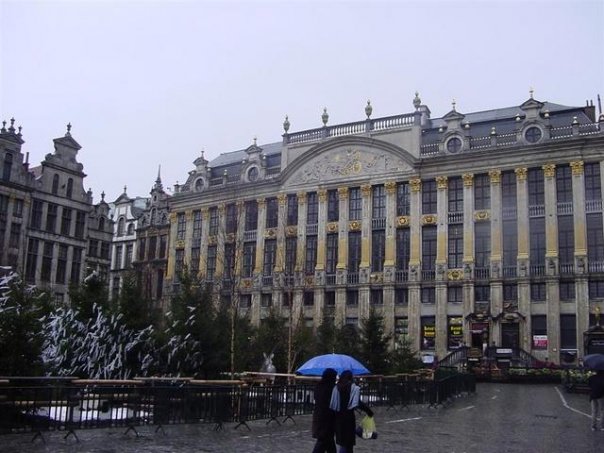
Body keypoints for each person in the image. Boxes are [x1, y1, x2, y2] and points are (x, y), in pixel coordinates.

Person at [329, 370, 373, 453]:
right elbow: (358, 403)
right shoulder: (352, 388)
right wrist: (368, 411)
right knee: (348, 443)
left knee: (343, 442)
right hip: (348, 417)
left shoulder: (336, 388)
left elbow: (333, 404)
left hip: (338, 417)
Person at [311, 368, 338, 453]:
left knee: (329, 443)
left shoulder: (318, 387)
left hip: (319, 417)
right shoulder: (331, 389)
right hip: (327, 420)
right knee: (323, 442)